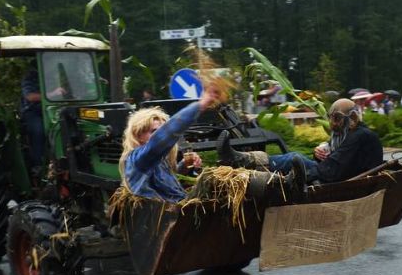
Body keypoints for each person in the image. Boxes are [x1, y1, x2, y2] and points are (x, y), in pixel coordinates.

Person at [119, 84, 304, 203]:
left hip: (181, 204)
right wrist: (201, 104)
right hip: (175, 210)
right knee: (215, 177)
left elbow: (163, 182)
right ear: (138, 135)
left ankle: (270, 175)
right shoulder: (137, 159)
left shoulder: (154, 161)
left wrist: (184, 167)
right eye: (154, 131)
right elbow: (167, 135)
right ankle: (282, 187)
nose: (160, 135)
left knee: (230, 172)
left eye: (161, 129)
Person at [217, 98, 383, 184]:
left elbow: (334, 169)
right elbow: (340, 161)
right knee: (295, 158)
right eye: (331, 118)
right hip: (338, 175)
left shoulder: (360, 136)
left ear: (352, 118)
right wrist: (319, 156)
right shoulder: (353, 134)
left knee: (293, 158)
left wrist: (297, 176)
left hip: (338, 180)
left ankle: (244, 160)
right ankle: (246, 161)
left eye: (337, 118)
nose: (333, 124)